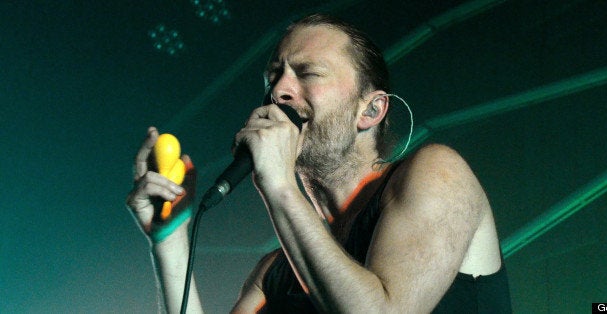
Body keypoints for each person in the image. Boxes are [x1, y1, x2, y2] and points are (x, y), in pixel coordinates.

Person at [126, 14, 512, 313]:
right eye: (273, 77)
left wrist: (278, 185)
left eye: (307, 73)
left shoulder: (436, 172)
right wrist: (170, 239)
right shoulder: (275, 273)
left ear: (372, 110)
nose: (278, 91)